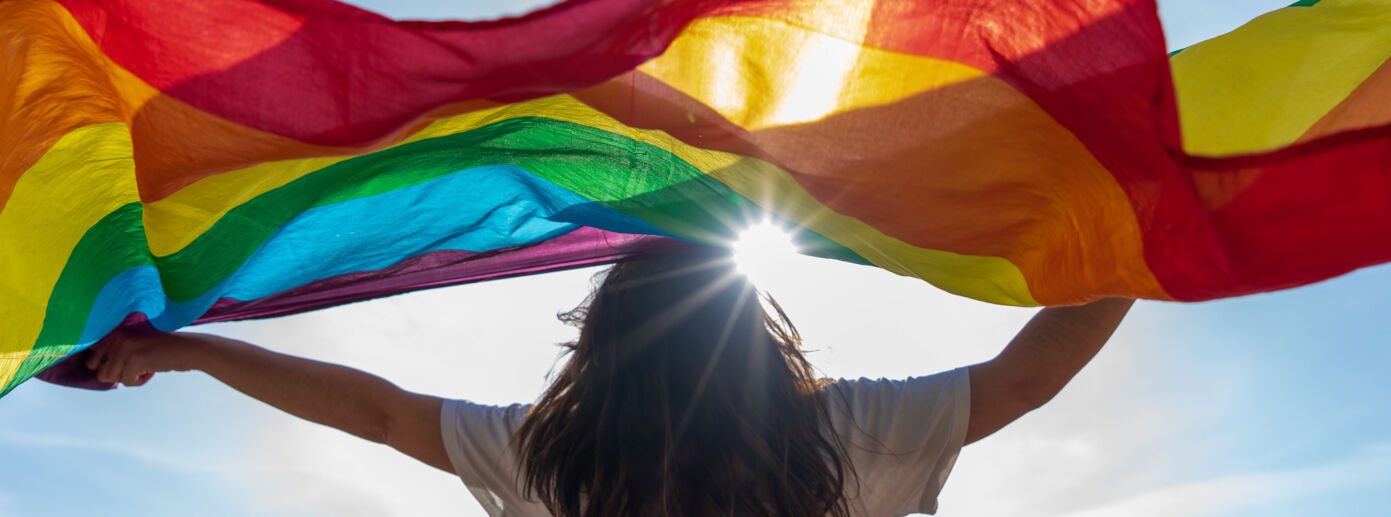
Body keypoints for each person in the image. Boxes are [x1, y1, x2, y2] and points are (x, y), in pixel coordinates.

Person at [86, 246, 1133, 516]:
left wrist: (197, 349)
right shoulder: (847, 435)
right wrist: (1148, 252)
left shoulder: (554, 461)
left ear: (597, 349)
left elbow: (379, 411)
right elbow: (1028, 379)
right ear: (757, 335)